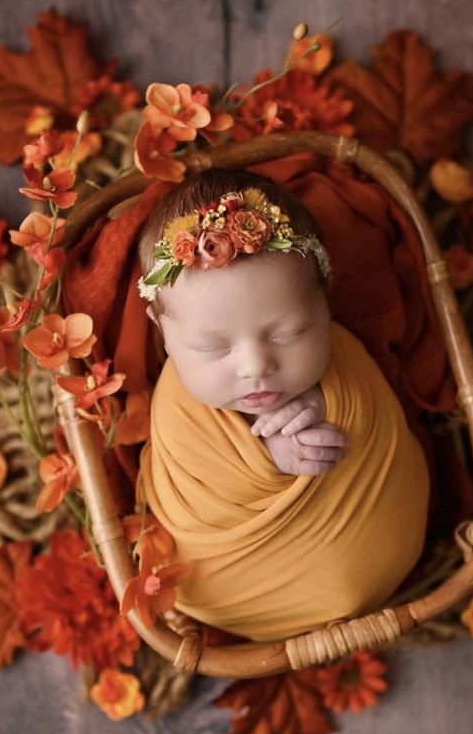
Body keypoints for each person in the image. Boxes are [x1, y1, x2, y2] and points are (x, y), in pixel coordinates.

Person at [134, 167, 431, 642]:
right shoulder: (178, 408)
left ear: (325, 300)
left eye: (288, 333)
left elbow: (370, 418)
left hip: (388, 538)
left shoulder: (343, 358)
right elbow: (192, 494)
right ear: (161, 327)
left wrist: (329, 408)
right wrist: (270, 460)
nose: (255, 366)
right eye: (213, 348)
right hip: (234, 587)